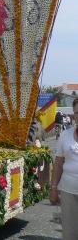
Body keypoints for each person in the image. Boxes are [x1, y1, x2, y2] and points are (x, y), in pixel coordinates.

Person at [50, 98, 78, 239]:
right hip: (68, 192)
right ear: (74, 114)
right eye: (77, 112)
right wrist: (54, 188)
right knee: (70, 233)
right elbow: (58, 164)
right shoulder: (65, 135)